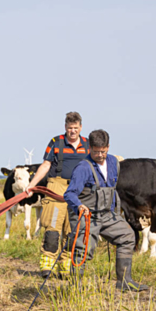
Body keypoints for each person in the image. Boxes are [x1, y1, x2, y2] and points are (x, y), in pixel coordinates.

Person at [63, 129, 146, 292]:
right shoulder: (83, 168)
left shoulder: (114, 163)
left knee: (127, 236)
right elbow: (69, 193)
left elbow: (112, 189)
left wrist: (115, 212)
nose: (100, 155)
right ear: (89, 148)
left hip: (107, 214)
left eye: (103, 151)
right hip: (87, 216)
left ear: (108, 147)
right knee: (82, 250)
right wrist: (79, 206)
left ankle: (124, 281)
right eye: (96, 152)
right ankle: (75, 289)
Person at [25, 111, 90, 277]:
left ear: (81, 127)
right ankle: (47, 264)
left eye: (75, 128)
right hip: (57, 187)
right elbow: (46, 165)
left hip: (78, 191)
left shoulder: (88, 145)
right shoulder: (56, 142)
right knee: (53, 228)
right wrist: (31, 185)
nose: (72, 131)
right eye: (69, 128)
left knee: (72, 230)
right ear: (65, 127)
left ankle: (65, 265)